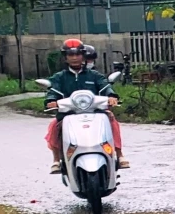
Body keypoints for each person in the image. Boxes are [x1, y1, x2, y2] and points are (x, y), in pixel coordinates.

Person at [44, 37, 124, 173]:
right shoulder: (59, 77)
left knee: (111, 120)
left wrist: (111, 97)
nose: (74, 58)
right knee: (53, 126)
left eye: (78, 54)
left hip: (96, 112)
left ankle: (120, 155)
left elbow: (105, 86)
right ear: (65, 58)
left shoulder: (94, 75)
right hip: (68, 114)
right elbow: (53, 91)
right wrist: (51, 101)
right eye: (70, 55)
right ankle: (56, 160)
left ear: (83, 56)